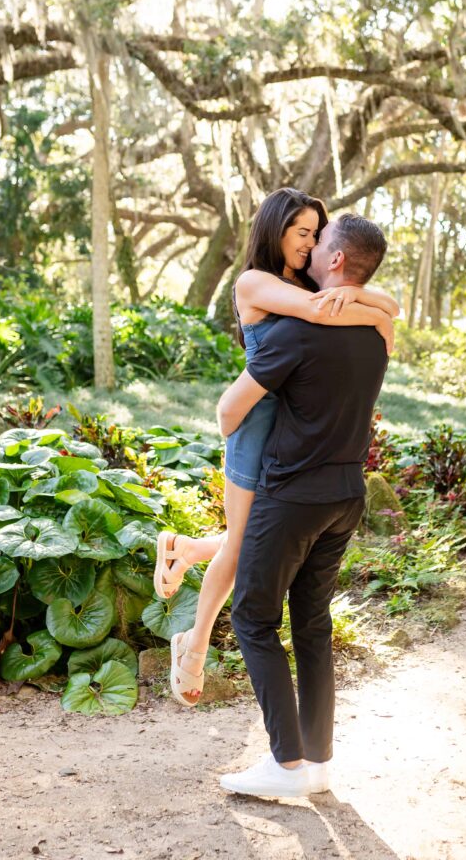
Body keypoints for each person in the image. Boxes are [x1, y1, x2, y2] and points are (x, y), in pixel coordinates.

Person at [152, 189, 397, 706]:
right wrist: (373, 312)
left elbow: (378, 305)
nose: (310, 244)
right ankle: (191, 646)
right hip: (254, 426)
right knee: (244, 548)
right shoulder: (255, 282)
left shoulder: (304, 280)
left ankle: (187, 549)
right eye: (301, 232)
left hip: (293, 430)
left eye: (315, 233)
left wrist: (366, 300)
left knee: (258, 540)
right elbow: (320, 313)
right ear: (276, 231)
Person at [217, 213, 390, 799]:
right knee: (311, 624)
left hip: (292, 495)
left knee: (252, 618)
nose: (311, 249)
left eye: (321, 242)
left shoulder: (296, 332)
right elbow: (382, 310)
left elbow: (226, 412)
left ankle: (284, 764)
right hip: (347, 495)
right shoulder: (378, 334)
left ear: (337, 261)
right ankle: (316, 763)